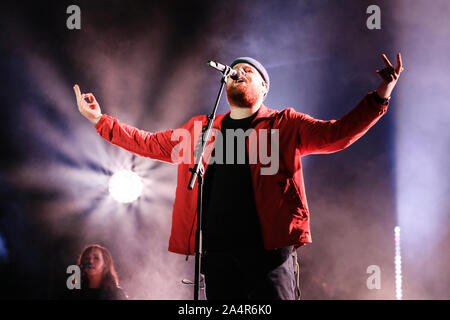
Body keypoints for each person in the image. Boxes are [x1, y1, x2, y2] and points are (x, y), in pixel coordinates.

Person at [73, 54, 403, 300]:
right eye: (236, 69)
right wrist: (100, 120)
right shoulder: (200, 131)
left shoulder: (284, 124)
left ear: (264, 87)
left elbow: (336, 134)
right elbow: (149, 143)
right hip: (217, 256)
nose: (239, 71)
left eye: (249, 70)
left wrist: (380, 95)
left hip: (267, 257)